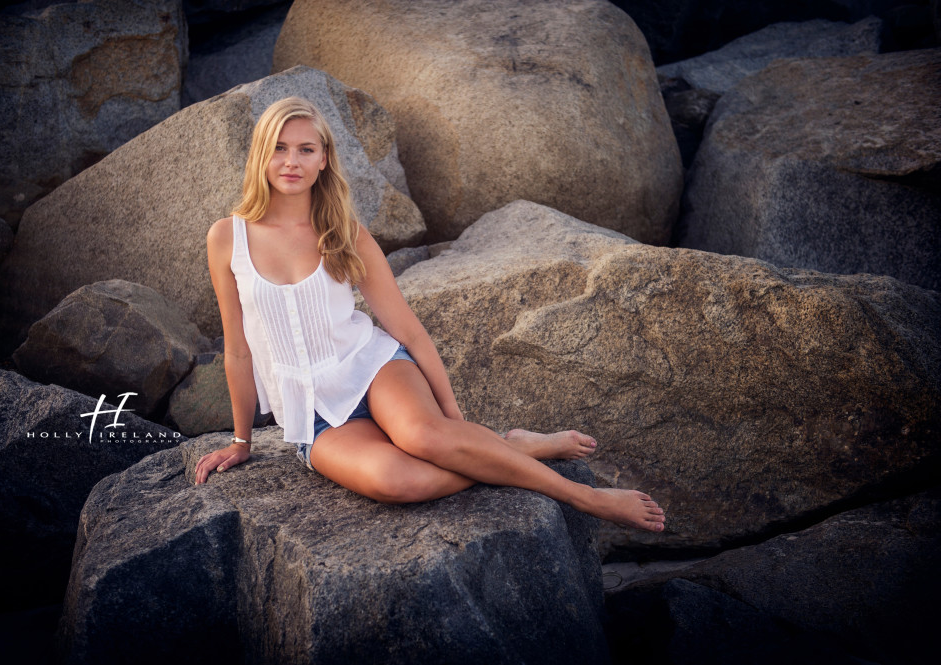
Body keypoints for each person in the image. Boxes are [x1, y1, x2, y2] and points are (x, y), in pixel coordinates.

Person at [195, 96, 665, 532]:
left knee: (427, 439)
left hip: (373, 369)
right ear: (260, 154)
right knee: (397, 481)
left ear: (324, 159)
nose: (291, 162)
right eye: (278, 148)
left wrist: (451, 420)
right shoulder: (227, 238)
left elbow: (406, 329)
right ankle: (509, 446)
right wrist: (241, 442)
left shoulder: (345, 233)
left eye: (305, 149)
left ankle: (583, 496)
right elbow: (237, 351)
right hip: (313, 415)